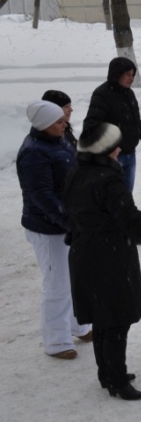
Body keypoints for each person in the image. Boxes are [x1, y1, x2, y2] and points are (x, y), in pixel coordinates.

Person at [64, 123, 141, 400]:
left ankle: (107, 373)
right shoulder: (107, 179)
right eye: (116, 144)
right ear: (107, 150)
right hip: (108, 255)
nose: (120, 149)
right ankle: (117, 381)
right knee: (116, 319)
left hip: (84, 251)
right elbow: (128, 216)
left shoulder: (77, 172)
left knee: (102, 318)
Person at [17, 100, 92, 359]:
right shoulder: (34, 152)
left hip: (67, 222)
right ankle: (56, 341)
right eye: (59, 121)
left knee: (74, 277)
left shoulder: (58, 141)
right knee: (57, 283)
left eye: (63, 120)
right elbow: (42, 195)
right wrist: (69, 221)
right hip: (48, 228)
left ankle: (77, 324)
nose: (65, 124)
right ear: (44, 125)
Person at [83, 57, 141, 192]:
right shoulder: (102, 94)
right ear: (117, 74)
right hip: (112, 158)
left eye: (133, 75)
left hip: (131, 154)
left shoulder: (129, 93)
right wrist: (110, 148)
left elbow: (136, 122)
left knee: (126, 198)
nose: (131, 78)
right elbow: (91, 126)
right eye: (128, 75)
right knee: (112, 199)